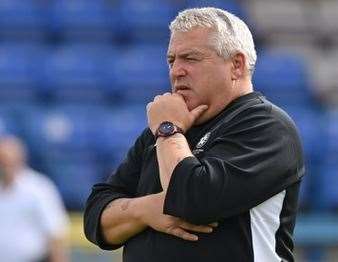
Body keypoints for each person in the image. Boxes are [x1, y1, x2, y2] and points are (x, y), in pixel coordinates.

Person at [84, 7, 304, 262]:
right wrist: (145, 210)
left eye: (190, 58)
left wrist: (168, 129)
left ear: (236, 65)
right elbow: (95, 218)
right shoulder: (162, 131)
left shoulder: (268, 126)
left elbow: (192, 201)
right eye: (171, 60)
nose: (176, 70)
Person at [0, 136, 69, 262]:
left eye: (8, 161)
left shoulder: (39, 188)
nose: (5, 166)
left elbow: (55, 235)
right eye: (2, 161)